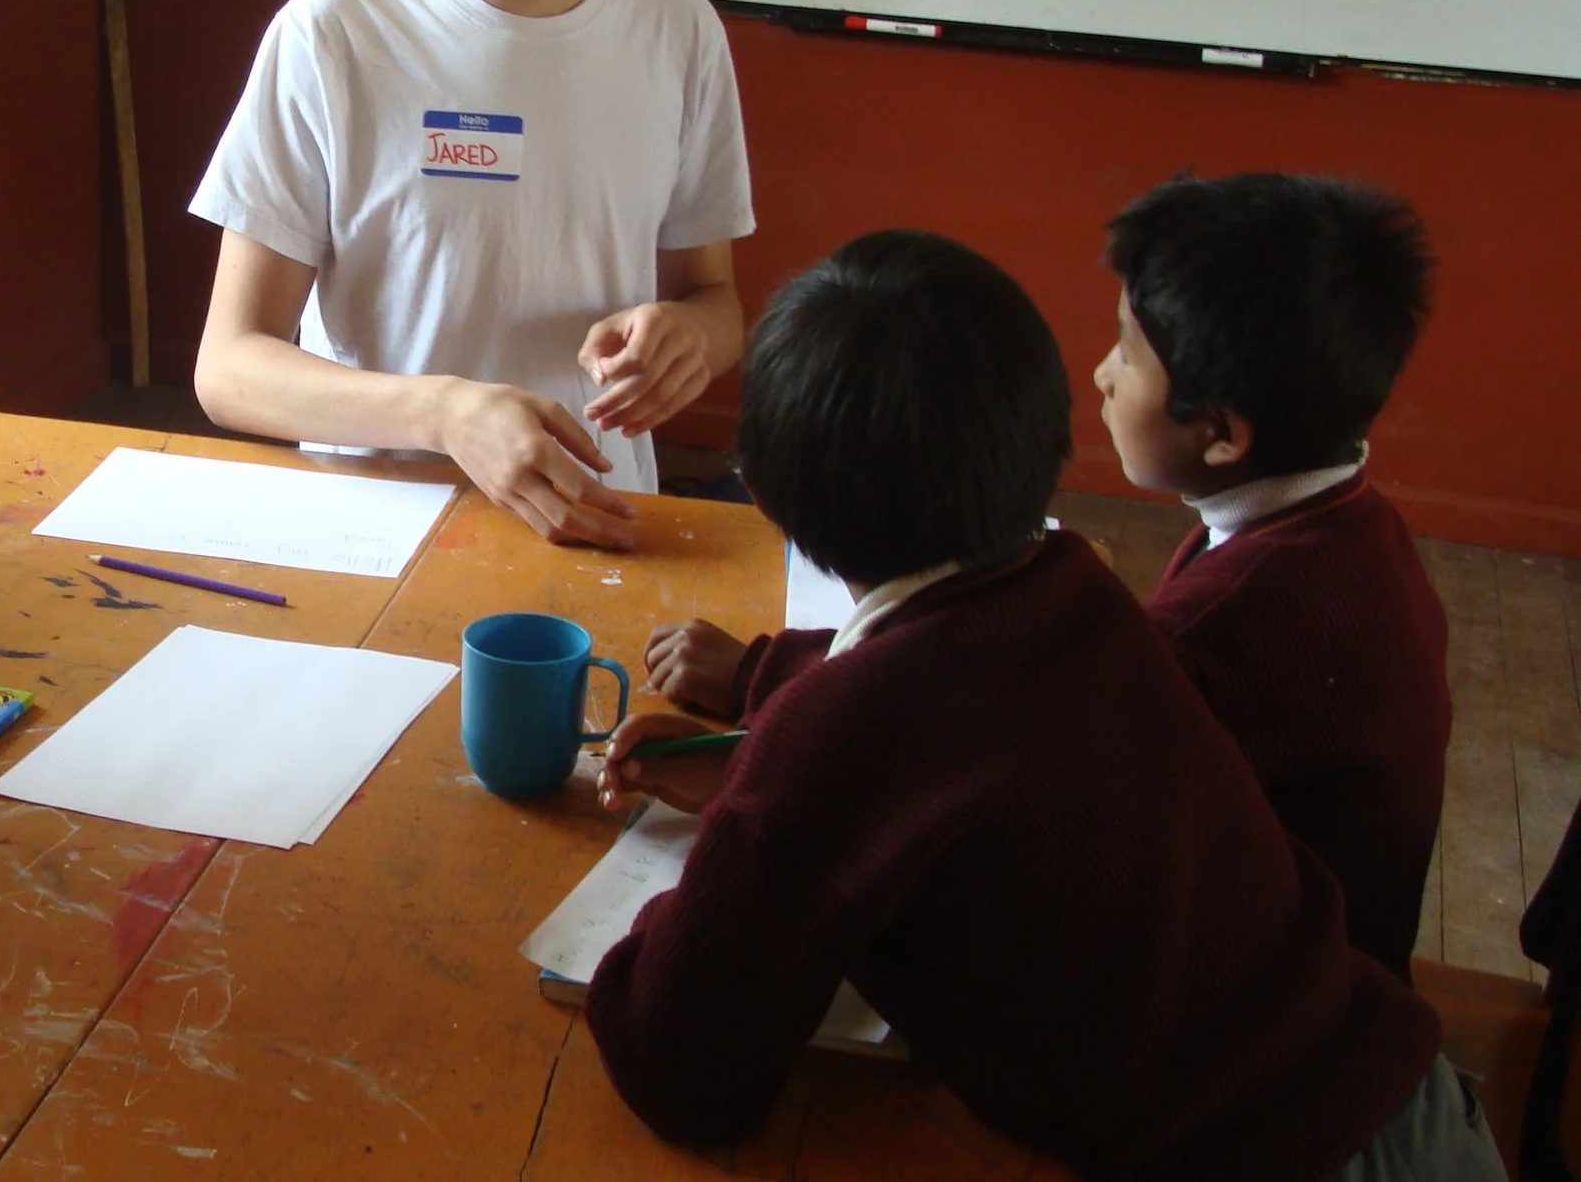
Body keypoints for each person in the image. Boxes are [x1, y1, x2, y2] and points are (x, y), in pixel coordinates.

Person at [588, 231, 1497, 1180]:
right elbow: (966, 760)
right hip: (1414, 1100)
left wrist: (715, 867)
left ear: (762, 488)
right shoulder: (1086, 595)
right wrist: (765, 766)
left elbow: (679, 1067)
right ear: (1043, 438)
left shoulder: (831, 743)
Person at [188, 0, 755, 550]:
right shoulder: (334, 36)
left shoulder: (675, 29)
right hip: (370, 528)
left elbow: (715, 299)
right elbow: (230, 365)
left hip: (596, 520)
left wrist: (689, 335)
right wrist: (446, 412)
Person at [1093, 171, 1447, 978]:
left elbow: (1046, 774)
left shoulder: (1229, 622)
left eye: (1126, 350)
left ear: (1221, 433)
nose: (1101, 376)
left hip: (1262, 1028)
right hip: (1337, 977)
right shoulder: (1356, 525)